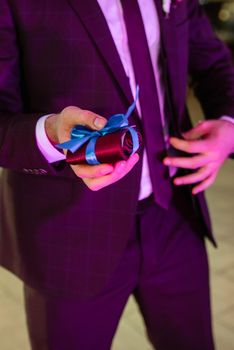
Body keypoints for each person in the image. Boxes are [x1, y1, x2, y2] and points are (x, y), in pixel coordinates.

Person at [0, 0, 234, 349]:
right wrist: (50, 135)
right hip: (68, 233)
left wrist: (229, 125)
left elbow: (213, 60)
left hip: (173, 213)